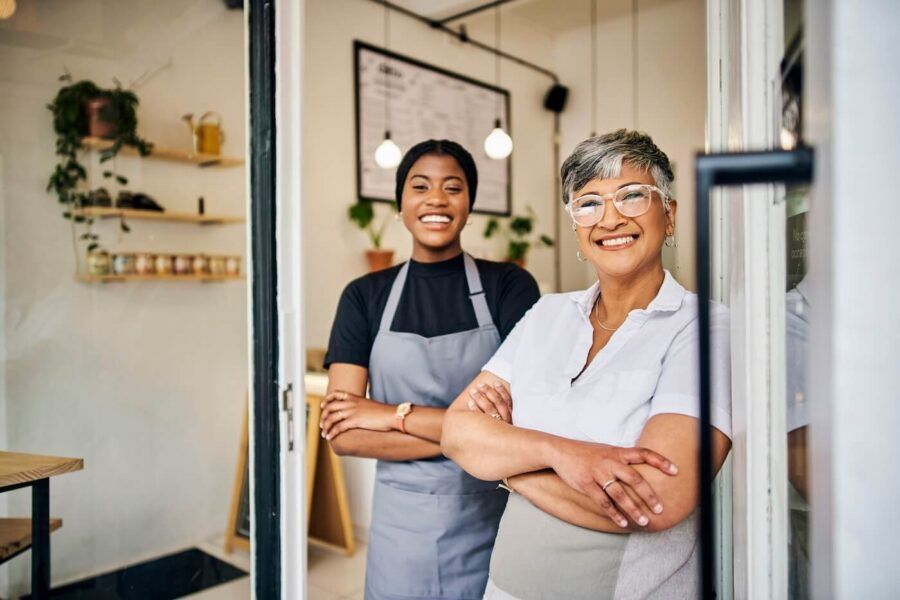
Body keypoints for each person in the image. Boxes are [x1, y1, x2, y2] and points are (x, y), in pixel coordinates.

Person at [442, 130, 732, 599]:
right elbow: (457, 432)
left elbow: (655, 501)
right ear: (577, 227)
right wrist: (565, 455)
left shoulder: (705, 328)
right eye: (589, 203)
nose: (611, 219)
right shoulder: (547, 315)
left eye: (633, 196)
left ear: (670, 215)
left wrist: (507, 463)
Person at [321, 139, 540, 600]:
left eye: (453, 187)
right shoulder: (364, 296)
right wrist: (474, 436)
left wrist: (388, 415)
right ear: (400, 203)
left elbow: (523, 421)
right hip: (402, 532)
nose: (436, 199)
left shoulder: (510, 287)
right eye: (420, 186)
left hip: (493, 517)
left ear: (469, 204)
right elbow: (343, 433)